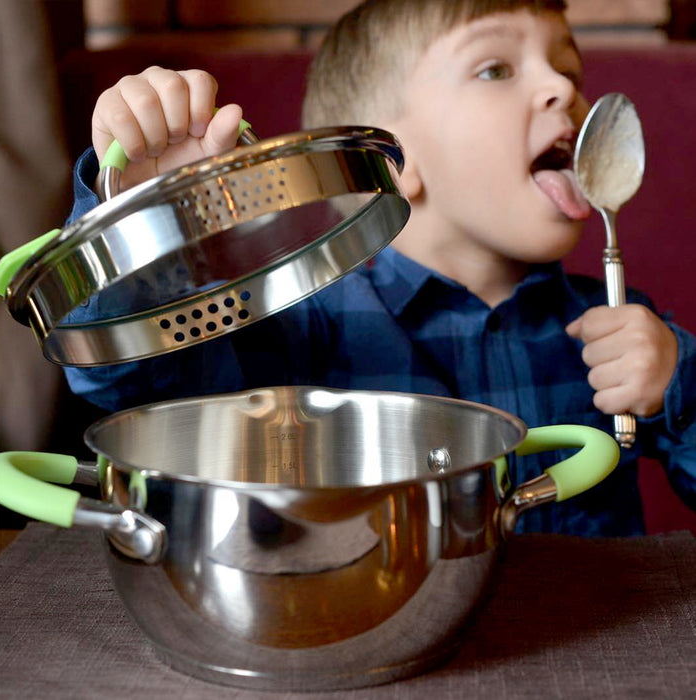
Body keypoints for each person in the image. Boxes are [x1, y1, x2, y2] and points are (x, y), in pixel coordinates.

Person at [63, 0, 696, 535]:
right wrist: (138, 220)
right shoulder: (303, 326)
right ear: (388, 163)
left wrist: (680, 385)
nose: (566, 90)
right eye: (496, 68)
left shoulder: (621, 332)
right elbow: (128, 383)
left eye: (567, 67)